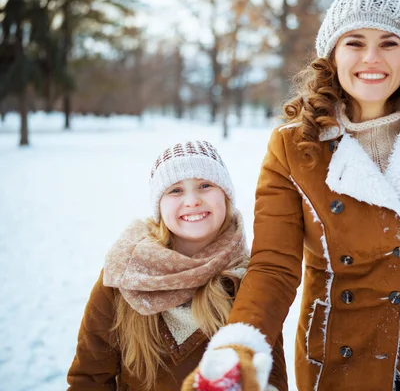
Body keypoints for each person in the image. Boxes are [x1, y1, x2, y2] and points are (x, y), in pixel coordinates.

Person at [192, 0, 400, 390]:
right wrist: (242, 343)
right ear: (333, 56)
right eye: (354, 43)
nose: (371, 58)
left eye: (388, 43)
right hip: (337, 350)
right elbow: (275, 264)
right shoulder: (293, 148)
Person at [66, 140, 287, 391]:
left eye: (205, 185)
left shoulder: (253, 279)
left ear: (225, 196)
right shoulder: (126, 273)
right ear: (159, 204)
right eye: (175, 190)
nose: (192, 201)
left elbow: (272, 377)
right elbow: (89, 379)